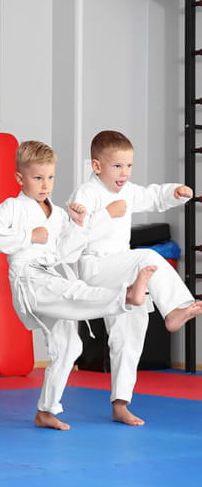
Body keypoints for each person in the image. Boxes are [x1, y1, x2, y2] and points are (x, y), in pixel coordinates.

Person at [0, 140, 156, 431]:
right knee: (74, 292)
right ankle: (126, 296)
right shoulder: (12, 207)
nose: (45, 185)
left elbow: (69, 253)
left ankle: (46, 411)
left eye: (50, 178)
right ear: (19, 178)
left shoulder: (60, 214)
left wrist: (78, 226)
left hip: (53, 274)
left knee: (69, 346)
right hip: (30, 280)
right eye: (37, 178)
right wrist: (30, 236)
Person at [70, 129, 202, 426]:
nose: (125, 173)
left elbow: (152, 196)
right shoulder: (86, 193)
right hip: (95, 267)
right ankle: (175, 310)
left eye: (129, 166)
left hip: (123, 271)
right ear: (97, 166)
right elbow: (73, 236)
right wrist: (106, 213)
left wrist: (174, 192)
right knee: (149, 257)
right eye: (117, 166)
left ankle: (120, 404)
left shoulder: (127, 191)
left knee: (130, 333)